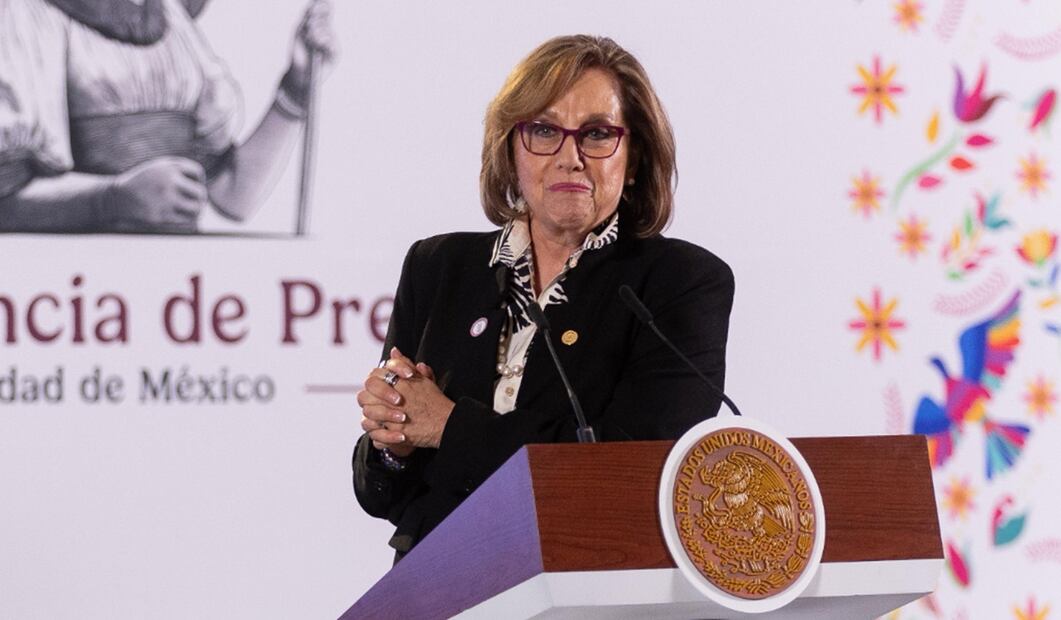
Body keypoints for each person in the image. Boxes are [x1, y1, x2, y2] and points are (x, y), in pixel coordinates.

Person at [352, 35, 735, 560]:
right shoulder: (438, 267)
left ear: (636, 155)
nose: (570, 157)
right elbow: (387, 495)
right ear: (510, 150)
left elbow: (633, 473)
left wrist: (447, 426)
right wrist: (390, 443)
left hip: (593, 581)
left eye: (597, 134)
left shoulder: (682, 283)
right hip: (439, 578)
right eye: (544, 131)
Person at [0, 0, 335, 233]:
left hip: (176, 288)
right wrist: (112, 199)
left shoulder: (171, 20)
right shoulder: (27, 13)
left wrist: (296, 87)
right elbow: (6, 202)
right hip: (81, 294)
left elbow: (233, 196)